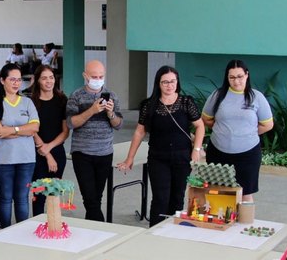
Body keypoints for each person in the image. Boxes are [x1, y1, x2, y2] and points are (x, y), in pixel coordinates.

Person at [117, 66, 204, 226]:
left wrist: (196, 149)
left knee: (177, 197)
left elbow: (200, 126)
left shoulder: (186, 102)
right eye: (165, 82)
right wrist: (130, 158)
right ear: (158, 83)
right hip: (158, 157)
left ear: (177, 82)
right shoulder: (149, 105)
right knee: (160, 198)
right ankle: (155, 231)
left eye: (173, 81)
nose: (169, 85)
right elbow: (139, 132)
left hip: (182, 156)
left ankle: (173, 232)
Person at [202, 59, 273, 202]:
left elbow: (267, 125)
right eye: (232, 77)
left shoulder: (256, 97)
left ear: (247, 75)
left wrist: (247, 133)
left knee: (245, 193)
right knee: (218, 191)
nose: (236, 81)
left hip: (248, 154)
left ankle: (245, 223)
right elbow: (206, 119)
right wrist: (225, 131)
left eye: (239, 76)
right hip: (218, 152)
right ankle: (219, 223)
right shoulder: (218, 95)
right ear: (227, 78)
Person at [66, 60, 123, 221]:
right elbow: (71, 123)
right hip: (82, 153)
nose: (98, 79)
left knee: (96, 198)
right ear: (85, 76)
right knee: (90, 198)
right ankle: (101, 228)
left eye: (101, 76)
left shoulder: (111, 96)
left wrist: (111, 114)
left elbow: (119, 125)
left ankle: (92, 231)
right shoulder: (76, 96)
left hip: (104, 153)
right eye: (94, 76)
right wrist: (91, 110)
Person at [0, 64, 39, 227]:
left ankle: (21, 233)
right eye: (12, 79)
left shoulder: (27, 102)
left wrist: (10, 130)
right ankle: (6, 232)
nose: (16, 83)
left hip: (26, 158)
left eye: (19, 80)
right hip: (2, 160)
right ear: (2, 80)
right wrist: (22, 130)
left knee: (22, 198)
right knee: (5, 198)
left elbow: (34, 128)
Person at [30, 64, 69, 216]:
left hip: (57, 151)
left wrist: (50, 148)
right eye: (44, 78)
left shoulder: (62, 99)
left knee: (54, 195)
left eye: (51, 77)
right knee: (38, 196)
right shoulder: (31, 101)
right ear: (37, 81)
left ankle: (54, 227)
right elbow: (32, 130)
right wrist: (46, 153)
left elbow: (65, 132)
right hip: (37, 153)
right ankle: (37, 225)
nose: (49, 81)